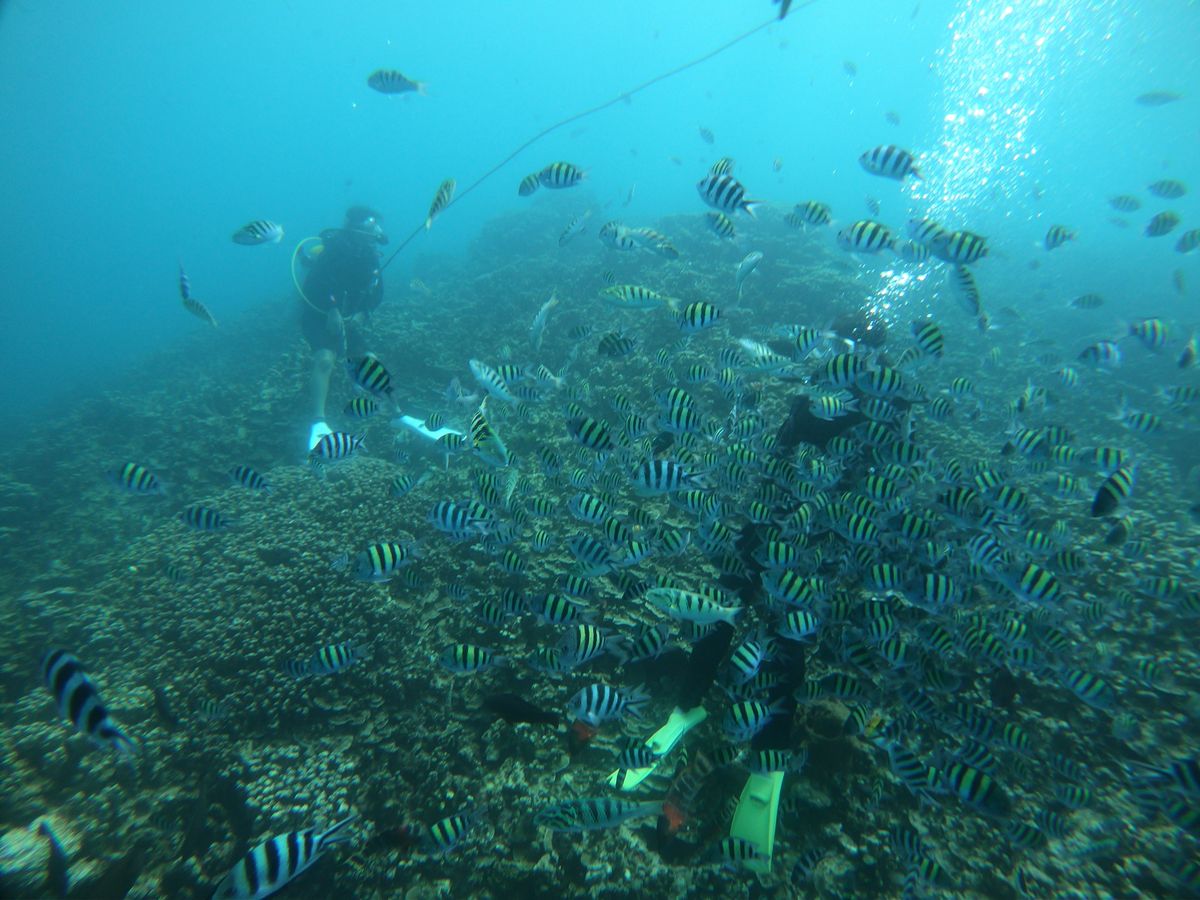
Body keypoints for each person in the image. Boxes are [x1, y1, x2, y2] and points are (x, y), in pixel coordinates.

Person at [298, 206, 388, 450]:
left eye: (377, 226)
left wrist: (363, 312)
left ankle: (389, 410)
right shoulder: (335, 249)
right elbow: (316, 284)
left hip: (347, 319)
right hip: (317, 315)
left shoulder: (370, 256)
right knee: (325, 359)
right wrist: (332, 308)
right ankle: (318, 422)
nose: (377, 231)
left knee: (371, 361)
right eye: (372, 226)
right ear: (356, 229)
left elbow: (377, 292)